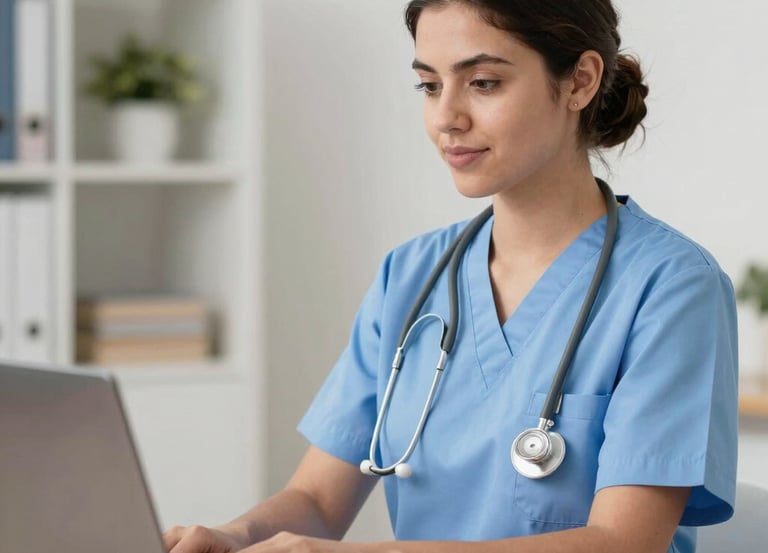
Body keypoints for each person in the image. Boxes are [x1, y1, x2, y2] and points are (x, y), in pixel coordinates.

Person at [164, 1, 738, 552]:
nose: (446, 118)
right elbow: (316, 499)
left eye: (483, 83)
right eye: (430, 85)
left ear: (580, 82)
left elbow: (624, 543)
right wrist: (235, 535)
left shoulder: (671, 286)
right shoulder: (410, 276)